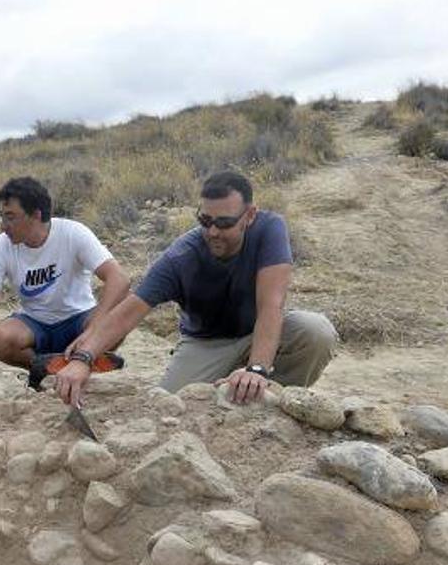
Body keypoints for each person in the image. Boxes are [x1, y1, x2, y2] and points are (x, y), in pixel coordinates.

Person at [54, 170, 338, 408]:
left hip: (258, 332)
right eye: (204, 221)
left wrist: (257, 369)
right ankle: (236, 383)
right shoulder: (181, 257)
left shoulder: (269, 228)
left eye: (224, 223)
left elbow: (271, 305)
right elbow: (128, 313)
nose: (212, 231)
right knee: (171, 405)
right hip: (205, 342)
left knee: (315, 331)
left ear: (249, 215)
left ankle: (267, 398)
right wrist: (83, 359)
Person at [0, 177, 131, 389]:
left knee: (118, 313)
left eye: (11, 218)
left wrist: (94, 330)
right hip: (36, 325)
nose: (3, 226)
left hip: (79, 320)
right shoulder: (0, 246)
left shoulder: (72, 232)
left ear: (36, 215)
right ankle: (47, 367)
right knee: (0, 337)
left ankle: (81, 358)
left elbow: (120, 279)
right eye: (2, 217)